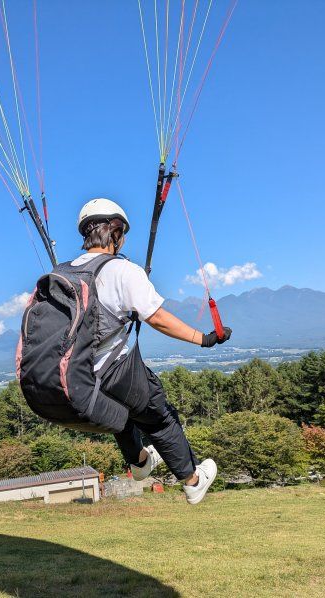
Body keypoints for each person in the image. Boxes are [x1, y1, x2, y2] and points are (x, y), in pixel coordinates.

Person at [73, 198, 232, 504]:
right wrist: (205, 339)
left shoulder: (65, 272)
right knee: (160, 417)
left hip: (78, 378)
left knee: (121, 412)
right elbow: (157, 317)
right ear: (116, 231)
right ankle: (193, 480)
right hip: (114, 369)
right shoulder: (122, 270)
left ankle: (140, 462)